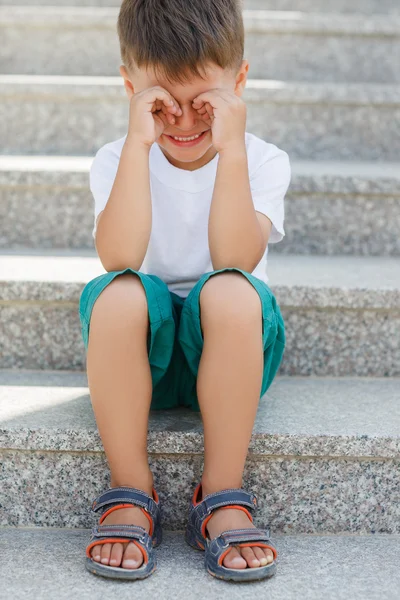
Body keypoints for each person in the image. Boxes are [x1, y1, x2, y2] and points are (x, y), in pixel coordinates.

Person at [80, 0, 291, 583]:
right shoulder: (117, 158)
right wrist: (137, 145)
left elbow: (234, 260)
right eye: (161, 105)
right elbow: (119, 257)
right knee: (119, 291)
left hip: (232, 350)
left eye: (202, 103)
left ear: (238, 82)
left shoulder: (264, 161)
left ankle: (221, 491)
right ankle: (129, 488)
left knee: (228, 290)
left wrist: (231, 149)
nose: (181, 122)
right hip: (141, 353)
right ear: (130, 89)